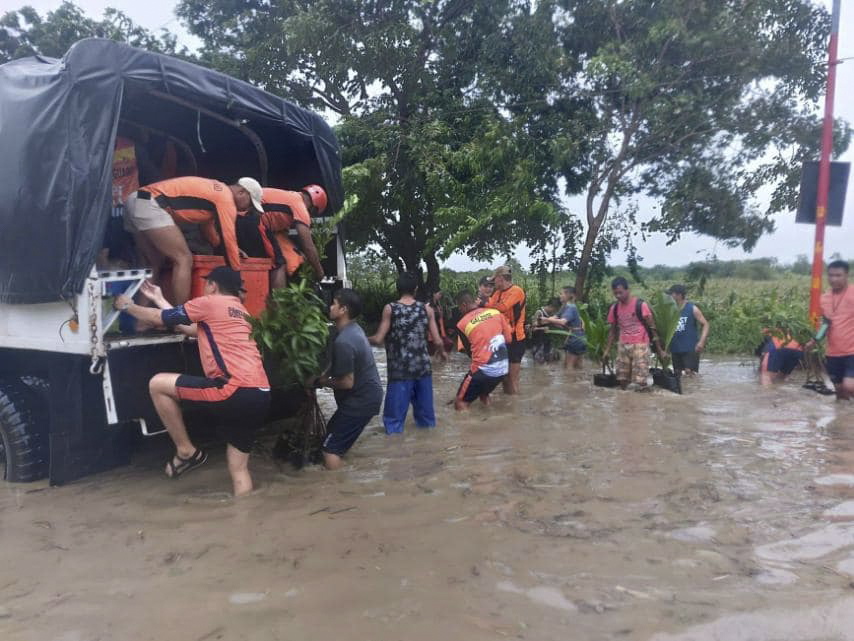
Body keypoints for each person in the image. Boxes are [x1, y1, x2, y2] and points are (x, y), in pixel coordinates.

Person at [112, 267, 270, 496]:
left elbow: (160, 319)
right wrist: (159, 298)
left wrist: (127, 306)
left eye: (207, 284)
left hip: (232, 389)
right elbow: (189, 328)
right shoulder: (240, 313)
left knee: (157, 384)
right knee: (239, 469)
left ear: (213, 286)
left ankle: (186, 450)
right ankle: (245, 514)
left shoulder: (210, 303)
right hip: (261, 393)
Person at [124, 176, 263, 304]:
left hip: (137, 198)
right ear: (242, 192)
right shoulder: (226, 199)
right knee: (184, 259)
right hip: (150, 203)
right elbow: (229, 238)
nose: (246, 210)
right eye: (250, 204)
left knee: (153, 263)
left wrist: (226, 247)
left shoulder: (216, 192)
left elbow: (208, 230)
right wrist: (237, 279)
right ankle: (181, 318)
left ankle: (140, 324)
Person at [369, 273, 446, 433]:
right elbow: (438, 341)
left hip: (400, 372)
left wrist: (360, 337)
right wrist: (442, 353)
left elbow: (378, 339)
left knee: (394, 422)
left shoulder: (390, 308)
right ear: (416, 289)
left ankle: (396, 453)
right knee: (426, 420)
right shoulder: (427, 309)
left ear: (397, 288)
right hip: (423, 369)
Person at [316, 289, 383, 469]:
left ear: (343, 309)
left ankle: (337, 492)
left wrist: (322, 382)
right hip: (366, 397)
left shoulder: (344, 340)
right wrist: (324, 374)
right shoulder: (353, 329)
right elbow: (337, 361)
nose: (329, 307)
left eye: (333, 303)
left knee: (329, 450)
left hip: (361, 401)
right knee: (331, 434)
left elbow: (347, 382)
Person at [259, 185, 328, 287]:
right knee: (279, 264)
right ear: (313, 208)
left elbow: (281, 237)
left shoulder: (289, 197)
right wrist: (319, 272)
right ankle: (279, 300)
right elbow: (308, 246)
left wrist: (299, 254)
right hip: (252, 220)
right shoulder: (300, 206)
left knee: (278, 253)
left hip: (247, 217)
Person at [604, 277, 665, 390]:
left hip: (640, 345)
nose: (618, 296)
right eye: (615, 293)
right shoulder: (615, 308)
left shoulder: (640, 305)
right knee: (622, 379)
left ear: (628, 290)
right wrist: (607, 350)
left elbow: (653, 328)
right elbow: (612, 331)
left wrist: (660, 350)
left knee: (640, 381)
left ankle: (640, 404)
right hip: (623, 345)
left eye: (620, 292)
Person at [454, 291, 512, 410]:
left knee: (460, 403)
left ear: (464, 305)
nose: (460, 310)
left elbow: (470, 353)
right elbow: (508, 339)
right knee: (483, 394)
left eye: (459, 307)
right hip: (503, 369)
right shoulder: (496, 313)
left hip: (483, 371)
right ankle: (488, 420)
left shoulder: (462, 324)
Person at [806, 260, 854, 400]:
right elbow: (826, 323)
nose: (834, 279)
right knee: (839, 391)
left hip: (852, 352)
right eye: (831, 275)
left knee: (849, 386)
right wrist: (814, 340)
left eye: (838, 275)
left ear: (847, 275)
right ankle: (843, 420)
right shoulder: (824, 298)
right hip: (833, 353)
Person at [487, 265, 527, 394]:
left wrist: (486, 304)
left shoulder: (517, 291)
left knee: (511, 378)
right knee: (503, 377)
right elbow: (489, 307)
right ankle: (508, 406)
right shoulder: (497, 293)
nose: (493, 283)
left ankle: (514, 408)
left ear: (500, 278)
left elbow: (503, 307)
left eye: (495, 280)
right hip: (503, 338)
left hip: (516, 338)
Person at [667, 284, 710, 375]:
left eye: (672, 294)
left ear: (679, 295)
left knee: (689, 373)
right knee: (677, 373)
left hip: (690, 347)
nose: (670, 296)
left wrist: (701, 342)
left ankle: (693, 389)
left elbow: (705, 324)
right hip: (675, 348)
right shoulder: (670, 310)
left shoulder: (692, 308)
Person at [544, 286, 587, 369]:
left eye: (561, 293)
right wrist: (545, 320)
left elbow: (562, 321)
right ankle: (581, 381)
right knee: (578, 366)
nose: (560, 295)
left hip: (575, 339)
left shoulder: (571, 307)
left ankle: (570, 382)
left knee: (568, 367)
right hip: (580, 338)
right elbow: (554, 317)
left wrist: (546, 319)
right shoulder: (565, 307)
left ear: (568, 295)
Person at [530, 298, 560, 364]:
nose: (555, 312)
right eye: (555, 310)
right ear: (551, 306)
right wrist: (543, 328)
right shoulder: (539, 312)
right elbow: (532, 328)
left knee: (548, 361)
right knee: (538, 363)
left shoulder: (551, 315)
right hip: (538, 342)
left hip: (547, 342)